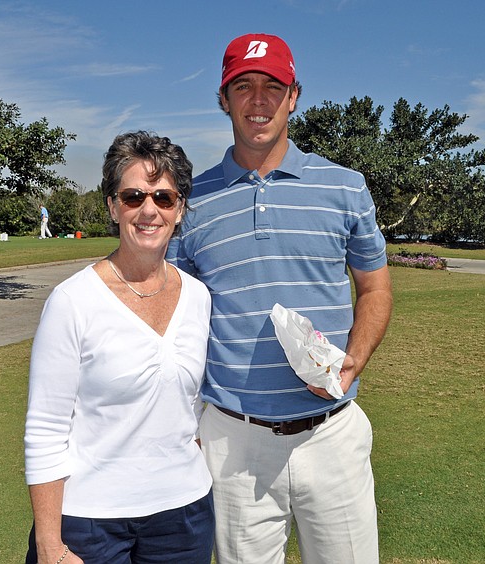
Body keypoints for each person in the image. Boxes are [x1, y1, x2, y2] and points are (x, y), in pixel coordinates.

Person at [167, 33, 393, 564]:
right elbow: (174, 315)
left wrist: (355, 358)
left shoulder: (345, 187)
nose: (258, 100)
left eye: (273, 86)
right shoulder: (190, 201)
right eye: (242, 86)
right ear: (223, 99)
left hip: (332, 434)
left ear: (294, 96)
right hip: (233, 440)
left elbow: (375, 286)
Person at [24, 131, 214, 564]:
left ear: (179, 209)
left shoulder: (198, 297)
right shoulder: (72, 301)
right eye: (133, 196)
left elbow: (191, 407)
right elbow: (45, 429)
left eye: (164, 197)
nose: (149, 210)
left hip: (185, 516)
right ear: (113, 206)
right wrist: (50, 545)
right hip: (91, 523)